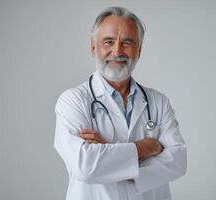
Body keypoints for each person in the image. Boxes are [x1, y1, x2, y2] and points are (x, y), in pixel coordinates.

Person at [54, 6, 187, 200]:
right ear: (93, 47)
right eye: (108, 42)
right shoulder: (73, 101)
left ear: (139, 50)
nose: (117, 51)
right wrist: (146, 148)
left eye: (127, 42)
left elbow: (178, 162)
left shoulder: (158, 102)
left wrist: (109, 156)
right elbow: (86, 167)